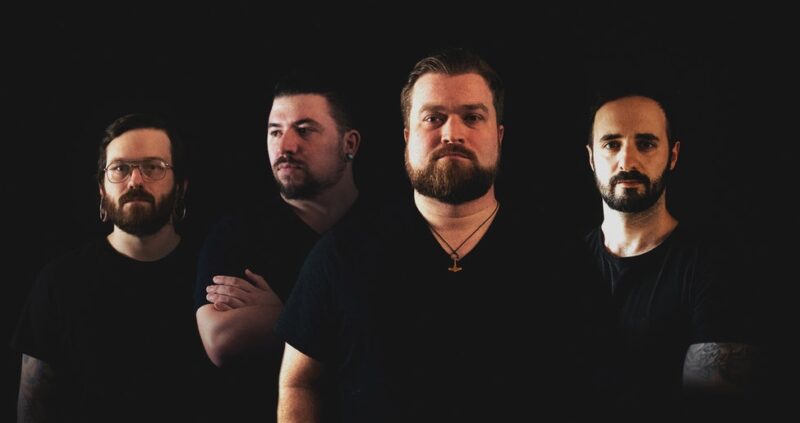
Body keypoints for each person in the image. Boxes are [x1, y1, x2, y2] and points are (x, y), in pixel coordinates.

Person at [275, 48, 603, 422]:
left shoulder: (560, 256)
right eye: (433, 118)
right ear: (407, 137)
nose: (452, 133)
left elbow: (598, 387)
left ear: (498, 136)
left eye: (472, 117)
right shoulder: (342, 253)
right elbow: (300, 383)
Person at [12, 113, 206, 422]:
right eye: (120, 168)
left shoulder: (212, 275)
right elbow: (33, 408)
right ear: (102, 190)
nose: (135, 181)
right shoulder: (59, 283)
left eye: (153, 167)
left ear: (181, 187)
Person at [194, 72, 363, 422]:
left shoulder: (382, 228)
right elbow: (221, 339)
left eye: (304, 130)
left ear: (349, 144)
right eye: (275, 132)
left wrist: (279, 313)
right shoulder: (237, 234)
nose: (285, 146)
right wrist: (346, 325)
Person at [584, 91, 758, 420]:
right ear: (592, 158)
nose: (627, 161)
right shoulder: (561, 265)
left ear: (673, 155)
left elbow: (717, 408)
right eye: (612, 144)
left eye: (646, 144)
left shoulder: (714, 267)